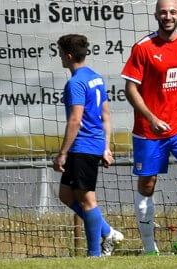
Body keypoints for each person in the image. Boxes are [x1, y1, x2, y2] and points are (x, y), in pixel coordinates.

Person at [121, 0, 177, 256]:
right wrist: (151, 118)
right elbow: (130, 88)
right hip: (150, 130)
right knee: (147, 184)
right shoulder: (143, 47)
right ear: (156, 16)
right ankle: (149, 246)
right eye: (163, 13)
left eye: (173, 12)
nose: (168, 16)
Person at [52, 34, 123, 257]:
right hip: (89, 146)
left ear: (69, 55)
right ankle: (107, 231)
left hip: (83, 146)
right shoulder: (95, 77)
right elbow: (106, 114)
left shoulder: (76, 83)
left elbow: (75, 120)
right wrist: (106, 146)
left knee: (87, 200)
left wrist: (62, 153)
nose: (60, 57)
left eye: (61, 53)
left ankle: (94, 255)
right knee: (65, 194)